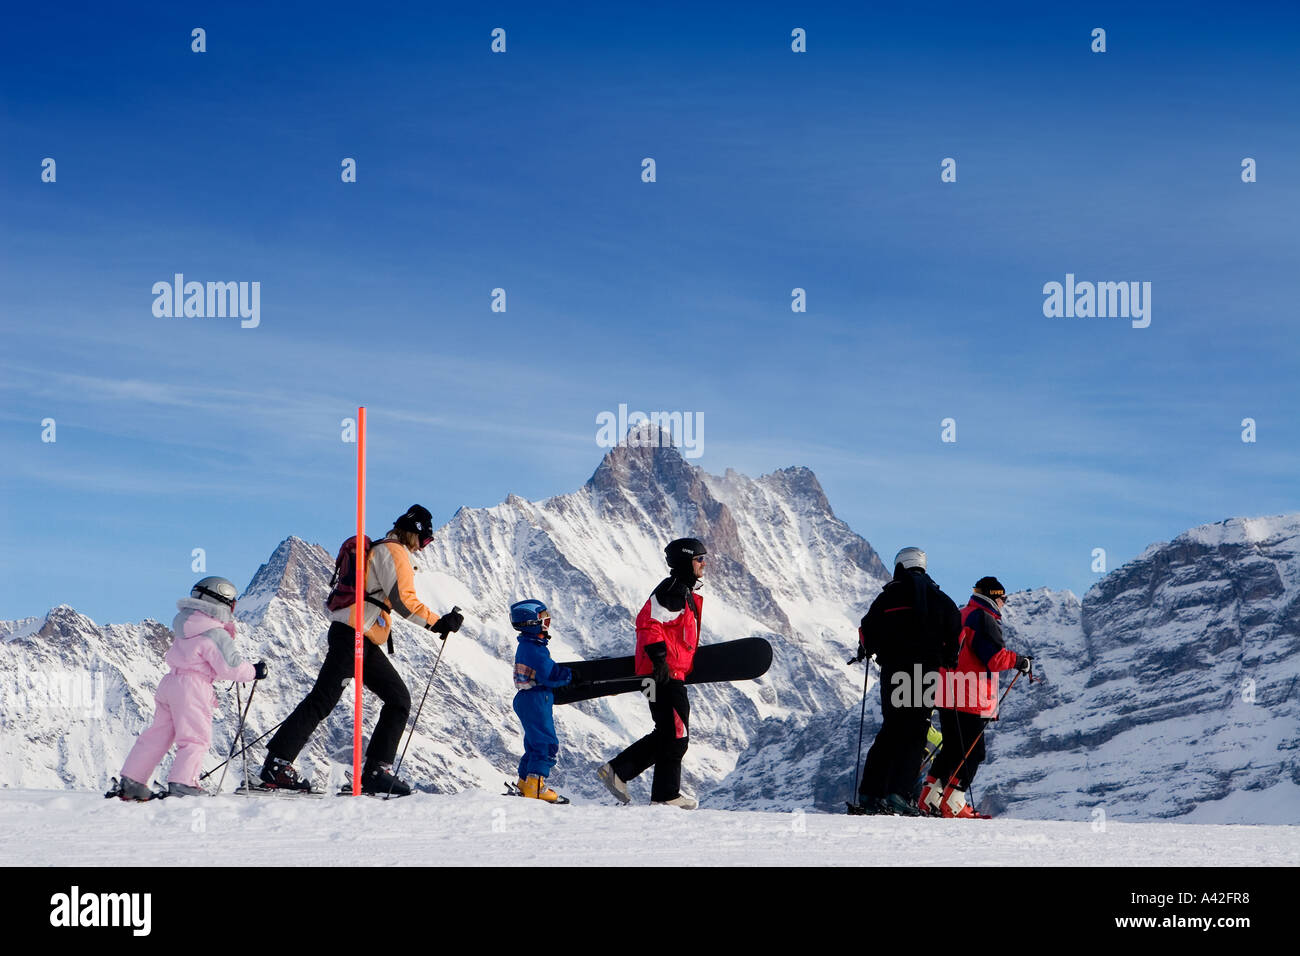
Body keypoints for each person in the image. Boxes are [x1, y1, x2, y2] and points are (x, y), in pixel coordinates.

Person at [259, 505, 463, 795]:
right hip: (355, 637)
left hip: (355, 636)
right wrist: (438, 623)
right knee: (358, 700)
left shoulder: (381, 550)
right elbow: (404, 601)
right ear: (415, 533)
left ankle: (285, 764)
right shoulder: (395, 552)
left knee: (382, 699)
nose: (423, 548)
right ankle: (366, 772)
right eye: (425, 541)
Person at [116, 577, 265, 799]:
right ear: (223, 603)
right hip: (194, 687)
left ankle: (132, 780)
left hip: (170, 683)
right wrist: (254, 671)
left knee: (159, 733)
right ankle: (183, 783)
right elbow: (230, 668)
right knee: (195, 737)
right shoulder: (215, 632)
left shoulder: (187, 625)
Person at [850, 547, 961, 816]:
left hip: (894, 671)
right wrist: (948, 658)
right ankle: (899, 794)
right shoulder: (939, 598)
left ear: (900, 565)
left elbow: (867, 631)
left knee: (891, 730)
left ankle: (869, 794)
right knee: (916, 731)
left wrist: (868, 650)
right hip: (924, 673)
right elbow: (956, 630)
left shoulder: (887, 597)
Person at [597, 537, 706, 809]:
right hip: (661, 675)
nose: (704, 564)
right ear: (685, 561)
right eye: (699, 559)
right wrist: (659, 660)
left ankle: (633, 779)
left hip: (663, 674)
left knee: (668, 734)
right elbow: (648, 623)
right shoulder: (674, 590)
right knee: (676, 734)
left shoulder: (681, 590)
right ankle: (661, 793)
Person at [922, 576, 1029, 818]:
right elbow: (994, 658)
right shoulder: (984, 618)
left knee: (951, 749)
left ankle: (929, 798)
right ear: (993, 596)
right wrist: (1020, 661)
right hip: (969, 696)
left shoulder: (961, 615)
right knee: (973, 751)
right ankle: (954, 802)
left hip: (948, 693)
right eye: (1003, 598)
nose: (1004, 603)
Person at [509, 599, 581, 803]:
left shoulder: (528, 646)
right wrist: (570, 676)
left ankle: (525, 783)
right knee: (546, 744)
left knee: (533, 743)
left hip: (528, 698)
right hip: (536, 698)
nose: (546, 623)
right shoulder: (535, 650)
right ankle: (536, 786)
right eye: (543, 619)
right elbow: (549, 674)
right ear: (531, 623)